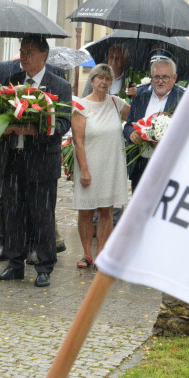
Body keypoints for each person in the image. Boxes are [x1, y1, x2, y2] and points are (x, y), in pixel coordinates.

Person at [0, 36, 72, 288]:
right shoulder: (10, 82)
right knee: (13, 214)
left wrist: (34, 129)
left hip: (41, 162)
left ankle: (44, 266)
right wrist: (1, 129)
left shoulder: (59, 85)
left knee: (42, 215)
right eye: (21, 52)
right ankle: (15, 264)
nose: (24, 57)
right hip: (12, 159)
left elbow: (62, 123)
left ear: (44, 55)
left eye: (29, 52)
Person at [72, 64, 130, 268]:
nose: (104, 83)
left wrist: (134, 93)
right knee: (86, 210)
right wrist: (84, 169)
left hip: (111, 165)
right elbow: (78, 141)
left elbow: (135, 118)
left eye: (108, 79)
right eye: (100, 78)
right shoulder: (81, 106)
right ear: (92, 80)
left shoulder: (116, 103)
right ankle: (87, 254)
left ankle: (102, 254)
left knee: (107, 209)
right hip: (89, 164)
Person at [123, 56, 186, 192]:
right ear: (151, 77)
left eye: (165, 77)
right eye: (156, 77)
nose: (160, 81)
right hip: (141, 165)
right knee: (139, 210)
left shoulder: (183, 99)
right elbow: (128, 125)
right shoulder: (140, 96)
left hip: (168, 166)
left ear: (174, 78)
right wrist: (131, 133)